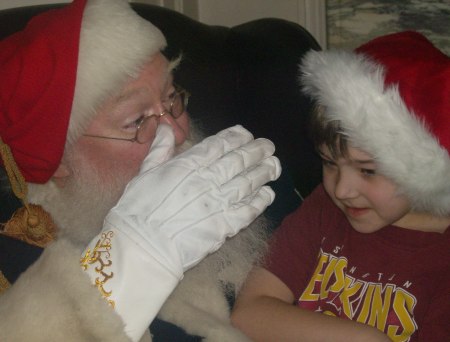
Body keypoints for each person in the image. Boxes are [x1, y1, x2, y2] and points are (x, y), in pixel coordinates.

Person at [0, 0, 281, 341]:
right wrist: (127, 263)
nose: (177, 133)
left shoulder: (242, 176)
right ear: (59, 159)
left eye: (172, 96)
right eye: (136, 120)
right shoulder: (14, 262)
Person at [231, 31, 450, 341]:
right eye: (329, 162)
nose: (342, 189)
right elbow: (248, 313)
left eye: (368, 170)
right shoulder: (324, 210)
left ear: (423, 170)